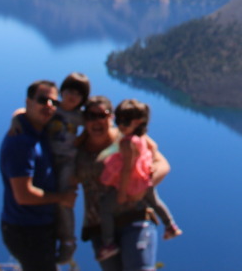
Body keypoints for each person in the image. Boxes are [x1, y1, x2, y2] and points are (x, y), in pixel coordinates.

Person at [76, 96, 172, 271]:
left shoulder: (128, 137)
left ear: (111, 117)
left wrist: (141, 189)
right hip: (100, 227)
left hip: (134, 217)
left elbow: (163, 164)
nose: (96, 121)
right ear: (84, 119)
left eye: (102, 115)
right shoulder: (78, 148)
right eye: (91, 116)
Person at [0, 80, 77, 271]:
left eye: (54, 102)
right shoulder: (21, 142)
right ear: (29, 102)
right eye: (43, 100)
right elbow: (23, 195)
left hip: (39, 226)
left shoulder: (38, 130)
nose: (49, 106)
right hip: (26, 230)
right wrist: (62, 198)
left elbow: (21, 113)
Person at [96, 99, 181, 261]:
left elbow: (126, 170)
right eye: (118, 120)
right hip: (143, 179)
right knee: (155, 201)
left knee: (106, 208)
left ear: (138, 122)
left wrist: (122, 193)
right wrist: (147, 164)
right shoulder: (141, 137)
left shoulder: (127, 144)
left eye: (125, 122)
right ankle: (171, 225)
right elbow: (154, 147)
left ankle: (108, 243)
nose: (120, 125)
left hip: (131, 184)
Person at [47, 72, 90, 264]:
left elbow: (96, 127)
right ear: (61, 91)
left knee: (65, 199)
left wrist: (79, 141)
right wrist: (16, 119)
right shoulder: (50, 108)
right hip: (47, 160)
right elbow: (24, 112)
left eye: (78, 94)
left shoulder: (79, 117)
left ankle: (67, 241)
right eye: (70, 91)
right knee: (44, 196)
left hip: (66, 162)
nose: (73, 96)